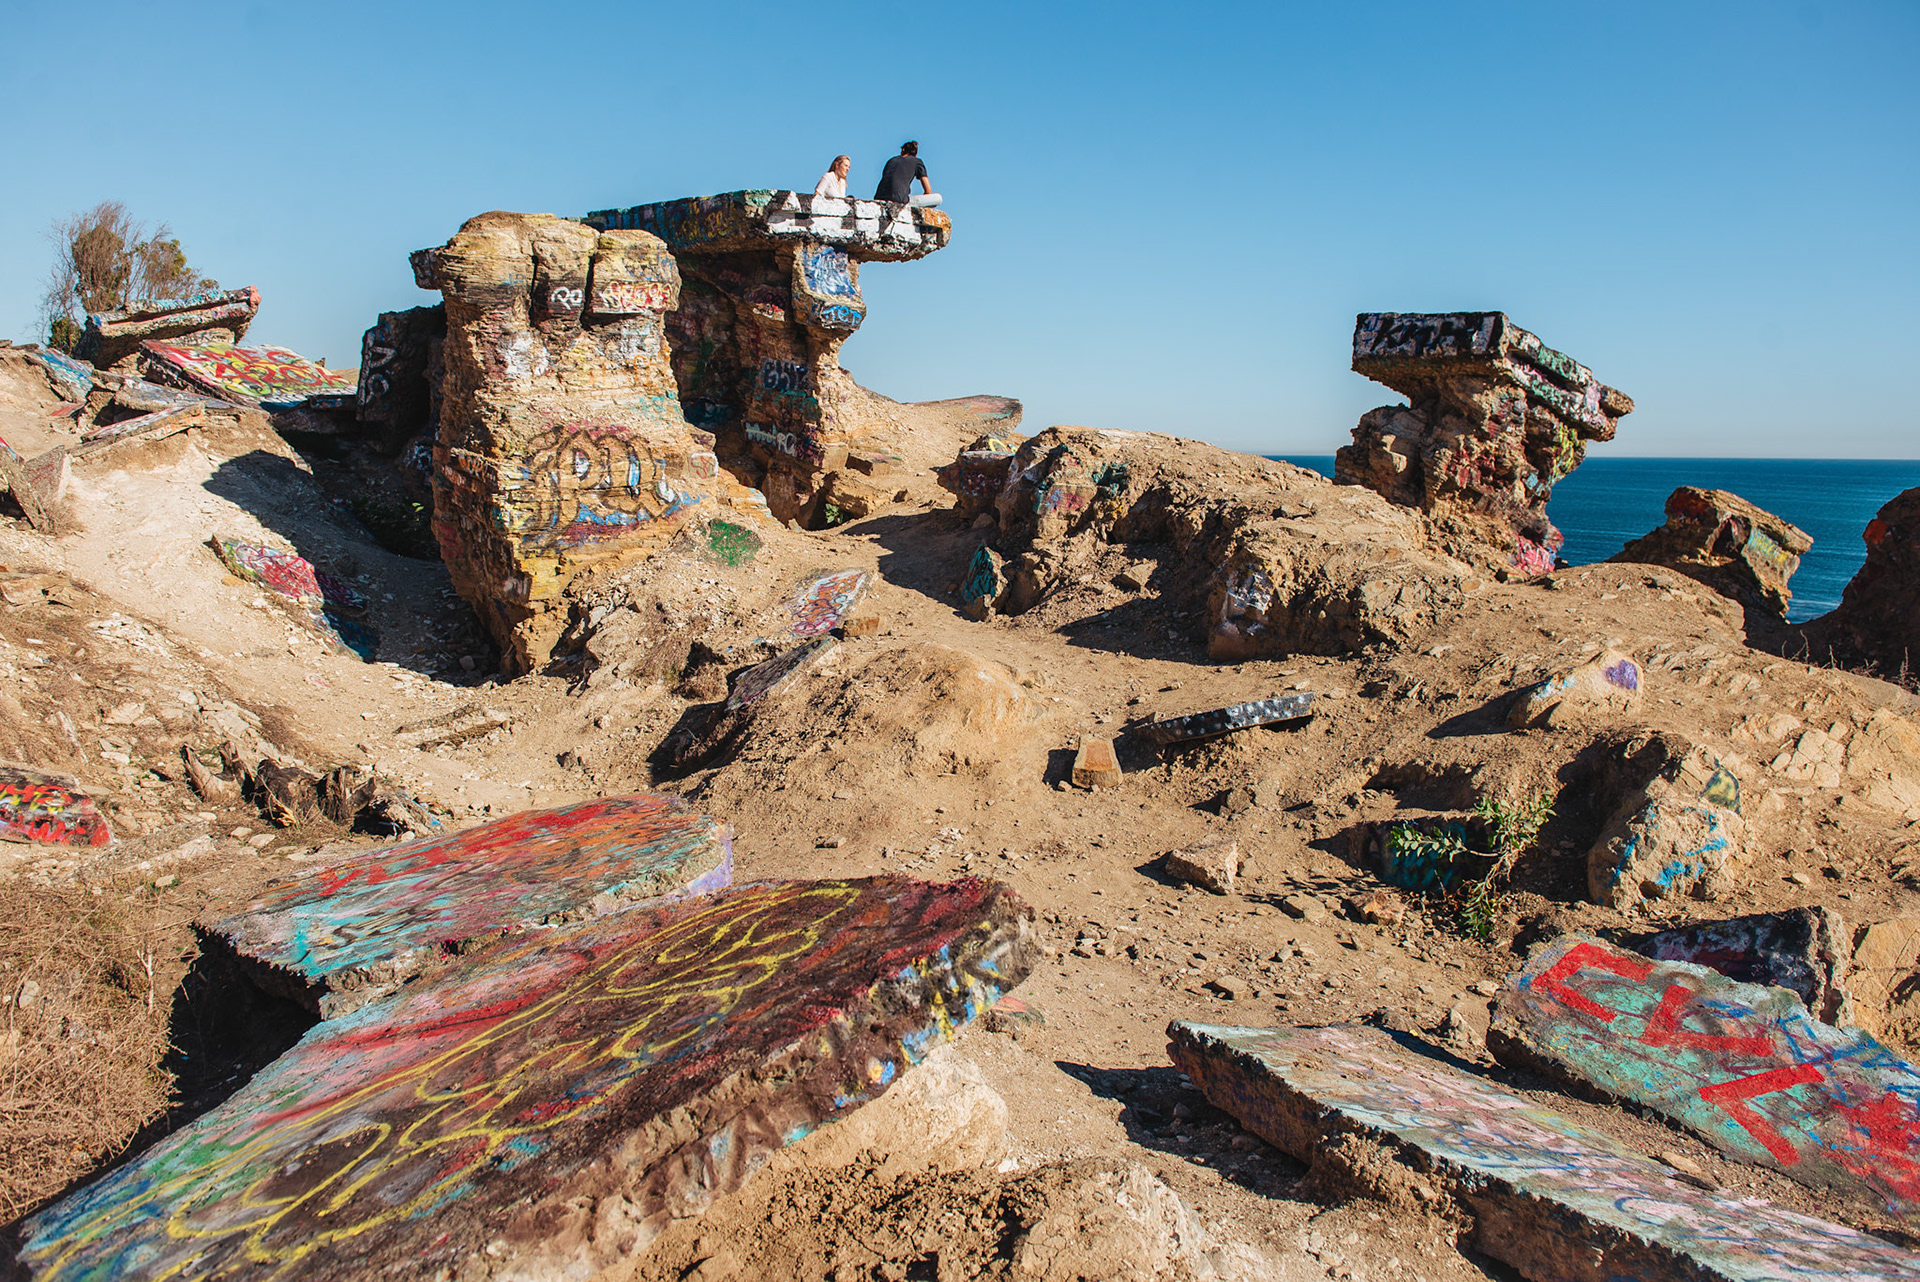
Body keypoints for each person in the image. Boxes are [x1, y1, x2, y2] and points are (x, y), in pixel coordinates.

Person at [874, 140, 941, 208]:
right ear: (915, 154)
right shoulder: (917, 162)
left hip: (878, 197)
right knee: (937, 198)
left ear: (903, 150)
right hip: (899, 199)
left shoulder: (891, 160)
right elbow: (928, 190)